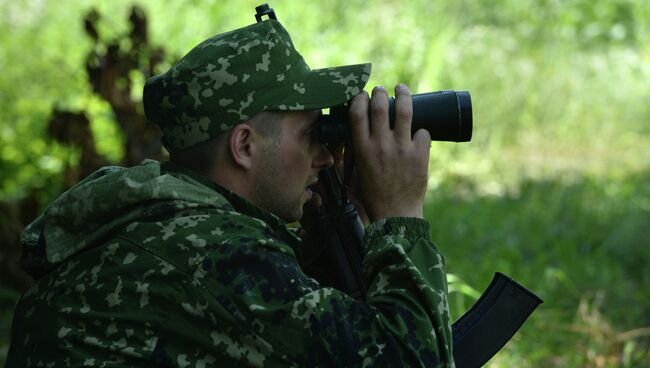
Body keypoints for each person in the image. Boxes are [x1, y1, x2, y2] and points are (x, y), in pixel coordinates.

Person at [6, 9, 454, 368]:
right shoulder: (217, 254)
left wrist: (330, 231)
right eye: (310, 135)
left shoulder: (161, 222)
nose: (325, 155)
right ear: (244, 146)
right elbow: (409, 358)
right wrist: (399, 213)